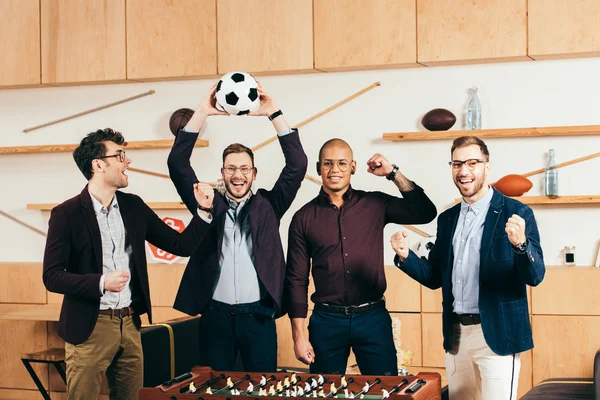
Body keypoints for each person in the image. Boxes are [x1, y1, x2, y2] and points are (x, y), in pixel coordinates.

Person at [43, 128, 210, 400]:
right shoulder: (66, 214)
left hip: (130, 325)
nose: (127, 161)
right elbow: (51, 276)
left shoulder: (134, 207)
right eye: (119, 155)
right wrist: (100, 282)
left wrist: (203, 212)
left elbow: (182, 246)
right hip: (89, 328)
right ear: (98, 165)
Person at [391, 136, 545, 400]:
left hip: (496, 335)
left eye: (472, 163)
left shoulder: (516, 211)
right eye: (457, 164)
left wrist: (521, 245)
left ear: (487, 166)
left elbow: (535, 276)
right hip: (456, 335)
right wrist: (406, 257)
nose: (464, 171)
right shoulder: (448, 219)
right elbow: (434, 277)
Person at [168, 83, 308, 372]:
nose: (238, 175)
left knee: (261, 389)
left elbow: (297, 164)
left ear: (254, 174)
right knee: (215, 388)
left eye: (245, 169)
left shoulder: (270, 205)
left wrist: (273, 113)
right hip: (214, 316)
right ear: (222, 173)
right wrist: (204, 111)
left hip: (258, 316)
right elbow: (177, 163)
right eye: (231, 168)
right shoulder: (206, 202)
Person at [286, 138, 437, 375]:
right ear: (318, 168)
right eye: (328, 164)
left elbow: (425, 212)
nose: (335, 170)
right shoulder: (303, 218)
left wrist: (392, 173)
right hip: (326, 321)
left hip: (372, 318)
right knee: (324, 392)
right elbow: (296, 279)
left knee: (384, 390)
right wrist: (298, 336)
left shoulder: (375, 204)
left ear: (353, 167)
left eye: (342, 163)